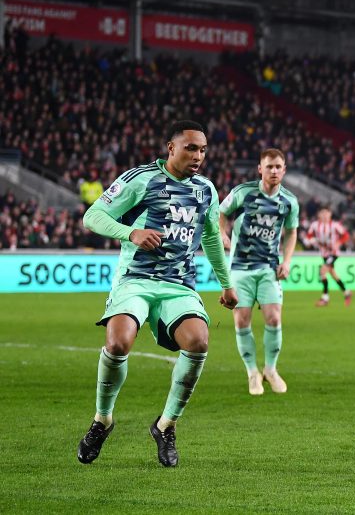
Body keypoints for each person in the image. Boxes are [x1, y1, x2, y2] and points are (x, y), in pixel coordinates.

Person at [77, 120, 237, 468]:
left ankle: (166, 426)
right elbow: (94, 215)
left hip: (178, 284)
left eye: (203, 150)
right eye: (191, 148)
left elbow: (210, 237)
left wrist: (226, 283)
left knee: (198, 341)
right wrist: (130, 233)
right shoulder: (141, 178)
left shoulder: (206, 190)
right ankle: (102, 419)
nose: (198, 156)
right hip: (136, 278)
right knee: (118, 343)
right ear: (171, 147)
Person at [219, 148, 300, 395]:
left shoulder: (289, 202)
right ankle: (252, 372)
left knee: (274, 318)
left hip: (268, 267)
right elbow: (221, 213)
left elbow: (291, 232)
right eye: (269, 167)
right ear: (260, 169)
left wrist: (286, 262)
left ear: (284, 170)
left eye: (278, 167)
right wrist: (222, 233)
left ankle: (271, 370)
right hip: (240, 268)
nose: (273, 171)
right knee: (242, 320)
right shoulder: (243, 193)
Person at [304, 208, 352, 307]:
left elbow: (346, 235)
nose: (325, 215)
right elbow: (308, 236)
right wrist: (308, 242)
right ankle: (346, 292)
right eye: (322, 213)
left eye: (327, 213)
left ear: (330, 214)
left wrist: (338, 243)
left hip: (334, 253)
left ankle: (325, 298)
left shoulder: (335, 225)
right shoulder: (314, 225)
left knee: (322, 271)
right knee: (333, 274)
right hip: (324, 254)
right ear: (319, 215)